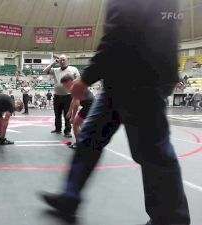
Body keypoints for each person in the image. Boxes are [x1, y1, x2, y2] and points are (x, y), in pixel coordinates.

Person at [41, 1, 190, 225]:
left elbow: (118, 34)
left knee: (152, 152)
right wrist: (168, 75)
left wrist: (87, 77)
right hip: (130, 79)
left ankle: (171, 219)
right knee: (91, 138)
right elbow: (168, 34)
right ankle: (69, 198)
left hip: (136, 78)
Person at [43, 55, 79, 137]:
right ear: (58, 61)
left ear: (67, 60)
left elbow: (79, 79)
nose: (62, 61)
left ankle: (67, 131)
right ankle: (58, 129)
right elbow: (44, 71)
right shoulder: (55, 70)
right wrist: (53, 63)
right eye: (60, 60)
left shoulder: (73, 69)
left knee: (67, 114)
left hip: (68, 96)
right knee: (57, 114)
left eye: (64, 60)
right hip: (57, 96)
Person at [61, 74, 94, 149]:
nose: (64, 87)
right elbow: (73, 100)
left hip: (88, 106)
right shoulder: (75, 85)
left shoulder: (74, 87)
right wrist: (69, 111)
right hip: (90, 105)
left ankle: (79, 144)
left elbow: (76, 104)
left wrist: (72, 117)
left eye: (64, 84)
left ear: (69, 82)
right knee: (83, 125)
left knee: (76, 124)